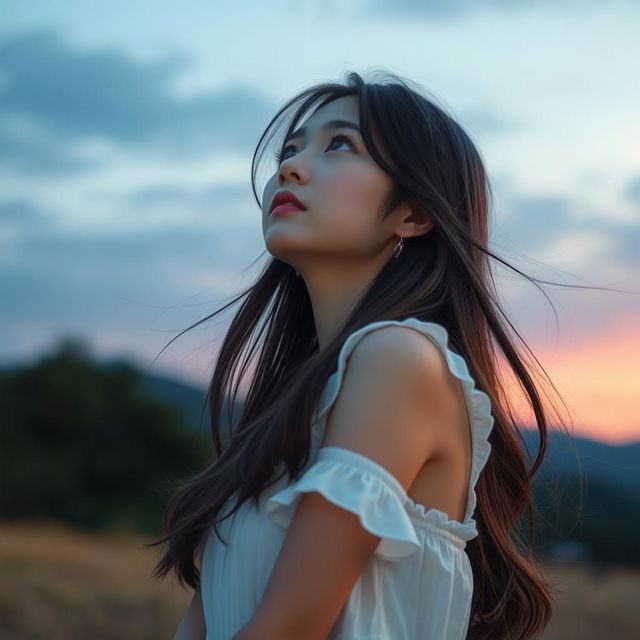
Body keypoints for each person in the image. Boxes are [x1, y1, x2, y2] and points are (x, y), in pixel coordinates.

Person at [148, 70, 560, 639]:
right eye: (290, 150)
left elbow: (288, 628)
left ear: (412, 214)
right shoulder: (294, 406)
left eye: (339, 144)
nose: (289, 167)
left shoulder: (398, 358)